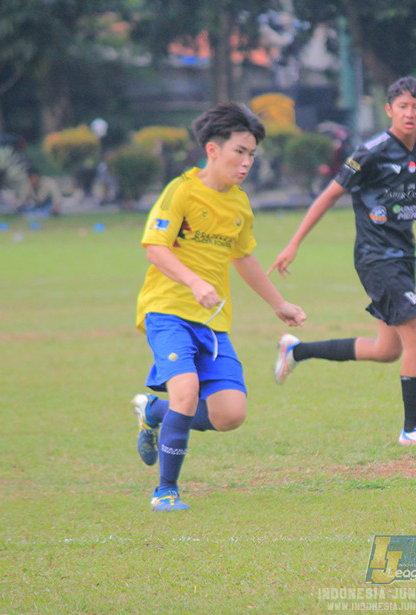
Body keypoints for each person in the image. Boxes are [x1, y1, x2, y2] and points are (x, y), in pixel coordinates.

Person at [131, 101, 307, 512]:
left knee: (230, 414)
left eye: (252, 155)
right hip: (167, 311)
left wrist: (278, 303)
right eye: (239, 152)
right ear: (213, 150)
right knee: (187, 392)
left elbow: (243, 258)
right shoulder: (181, 191)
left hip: (211, 322)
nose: (246, 163)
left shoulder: (239, 205)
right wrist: (194, 282)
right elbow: (155, 248)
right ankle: (165, 491)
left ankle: (154, 411)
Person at [267, 76, 416, 447]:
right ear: (389, 110)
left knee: (388, 350)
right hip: (377, 257)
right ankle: (413, 429)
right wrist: (293, 244)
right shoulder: (370, 152)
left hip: (403, 254)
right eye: (403, 106)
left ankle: (296, 350)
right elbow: (327, 197)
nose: (410, 113)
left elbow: (408, 189)